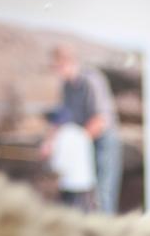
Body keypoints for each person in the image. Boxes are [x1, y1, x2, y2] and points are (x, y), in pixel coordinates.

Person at [51, 44, 123, 214]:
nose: (56, 70)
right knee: (84, 192)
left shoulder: (91, 80)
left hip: (103, 141)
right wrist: (52, 141)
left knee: (103, 191)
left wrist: (77, 142)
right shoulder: (67, 87)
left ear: (68, 62)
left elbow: (101, 119)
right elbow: (64, 116)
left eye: (57, 65)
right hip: (84, 142)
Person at [41, 107, 97, 212]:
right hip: (87, 186)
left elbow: (58, 166)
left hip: (70, 186)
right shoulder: (80, 132)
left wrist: (47, 155)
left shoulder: (60, 136)